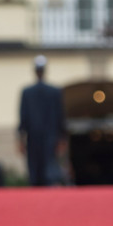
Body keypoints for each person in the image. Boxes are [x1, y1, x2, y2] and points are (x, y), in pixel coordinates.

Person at [18, 55, 66, 187]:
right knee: (48, 167)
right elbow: (60, 117)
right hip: (50, 136)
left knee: (35, 167)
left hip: (33, 136)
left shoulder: (27, 92)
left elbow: (23, 118)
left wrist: (21, 139)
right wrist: (62, 138)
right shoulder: (55, 91)